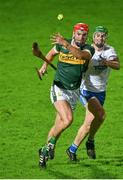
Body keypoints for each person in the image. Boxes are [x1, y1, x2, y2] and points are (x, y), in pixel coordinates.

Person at [32, 23, 95, 168]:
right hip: (59, 88)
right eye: (78, 34)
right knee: (68, 119)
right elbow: (50, 54)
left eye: (84, 34)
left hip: (74, 92)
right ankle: (51, 145)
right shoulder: (62, 45)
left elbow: (79, 55)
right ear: (74, 34)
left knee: (59, 124)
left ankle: (43, 152)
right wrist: (44, 66)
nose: (81, 37)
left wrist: (65, 43)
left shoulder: (88, 49)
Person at [66, 26, 120, 161]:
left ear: (106, 37)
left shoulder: (109, 50)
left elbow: (117, 65)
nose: (100, 38)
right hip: (86, 91)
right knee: (101, 115)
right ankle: (89, 142)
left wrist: (106, 62)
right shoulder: (88, 50)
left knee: (89, 123)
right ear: (93, 37)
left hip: (101, 92)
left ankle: (73, 149)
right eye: (97, 35)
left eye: (103, 36)